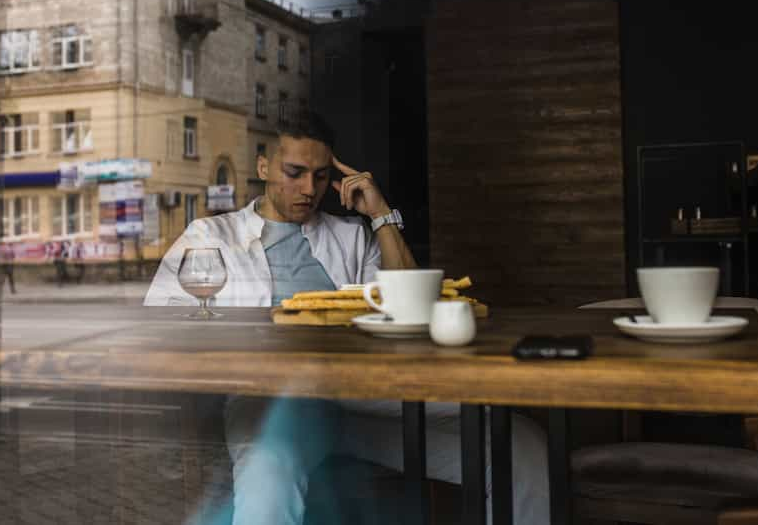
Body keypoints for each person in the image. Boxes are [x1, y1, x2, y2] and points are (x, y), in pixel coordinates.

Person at [144, 113, 549, 525]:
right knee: (266, 484)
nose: (309, 189)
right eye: (295, 173)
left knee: (521, 446)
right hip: (273, 401)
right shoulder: (212, 237)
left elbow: (414, 306)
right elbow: (161, 318)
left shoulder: (351, 236)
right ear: (263, 166)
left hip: (364, 400)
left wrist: (380, 213)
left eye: (320, 176)